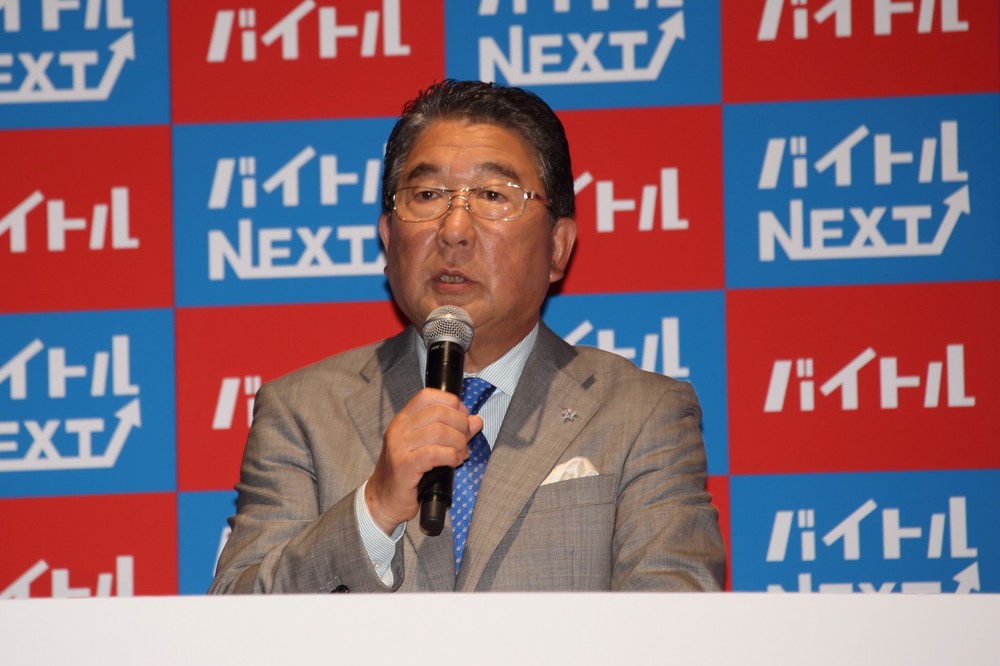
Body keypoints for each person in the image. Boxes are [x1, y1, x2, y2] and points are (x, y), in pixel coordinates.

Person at [209, 80, 725, 594]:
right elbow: (235, 619)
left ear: (558, 247)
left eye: (493, 196)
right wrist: (373, 509)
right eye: (427, 196)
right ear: (388, 239)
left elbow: (676, 623)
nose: (454, 229)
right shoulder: (301, 413)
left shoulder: (642, 413)